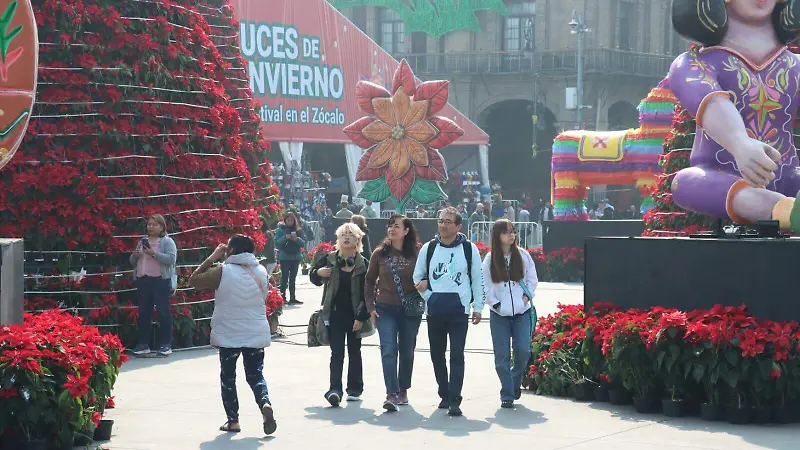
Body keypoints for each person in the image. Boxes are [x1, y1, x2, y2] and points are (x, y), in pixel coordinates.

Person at [668, 0, 800, 232]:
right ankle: (783, 211)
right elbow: (712, 102)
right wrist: (740, 145)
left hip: (789, 176)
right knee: (685, 183)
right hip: (722, 179)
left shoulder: (795, 66)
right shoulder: (694, 63)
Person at [188, 235, 277, 436]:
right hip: (255, 331)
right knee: (256, 375)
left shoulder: (222, 271)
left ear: (230, 250)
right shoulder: (262, 271)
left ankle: (233, 421)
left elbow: (194, 280)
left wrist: (213, 256)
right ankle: (264, 403)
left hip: (229, 334)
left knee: (228, 377)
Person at [413, 207, 485, 417]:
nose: (442, 225)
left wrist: (477, 307)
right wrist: (429, 297)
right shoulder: (429, 248)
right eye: (440, 220)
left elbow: (478, 280)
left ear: (458, 226)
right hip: (435, 310)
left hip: (459, 312)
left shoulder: (469, 249)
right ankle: (444, 392)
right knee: (437, 354)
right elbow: (417, 277)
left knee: (457, 355)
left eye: (448, 221)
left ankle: (455, 398)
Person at [309, 223, 373, 407]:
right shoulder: (329, 259)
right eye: (343, 234)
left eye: (351, 235)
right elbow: (314, 279)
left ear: (357, 240)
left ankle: (354, 389)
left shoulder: (363, 263)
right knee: (336, 353)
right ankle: (334, 390)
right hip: (335, 315)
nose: (346, 237)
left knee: (355, 352)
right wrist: (318, 273)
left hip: (355, 316)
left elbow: (368, 293)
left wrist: (361, 318)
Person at [365, 215, 421, 412]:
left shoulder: (417, 253)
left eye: (397, 226)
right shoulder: (380, 254)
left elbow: (428, 276)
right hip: (385, 308)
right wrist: (371, 307)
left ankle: (403, 389)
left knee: (407, 351)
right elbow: (369, 281)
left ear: (406, 231)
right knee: (388, 349)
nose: (392, 229)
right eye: (390, 226)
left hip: (411, 310)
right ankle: (391, 393)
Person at [483, 219, 537, 408]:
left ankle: (514, 383)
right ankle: (507, 393)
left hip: (522, 313)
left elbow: (532, 280)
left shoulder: (523, 255)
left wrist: (525, 299)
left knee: (523, 351)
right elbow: (485, 287)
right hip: (499, 315)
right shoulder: (490, 259)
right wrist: (496, 305)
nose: (511, 235)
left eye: (513, 231)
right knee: (501, 356)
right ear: (497, 236)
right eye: (506, 232)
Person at [129, 214, 177, 356]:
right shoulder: (142, 241)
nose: (150, 227)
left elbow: (171, 260)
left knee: (163, 313)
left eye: (154, 225)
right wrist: (136, 255)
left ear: (162, 227)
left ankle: (166, 345)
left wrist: (153, 253)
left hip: (160, 281)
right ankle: (143, 344)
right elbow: (132, 261)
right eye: (149, 224)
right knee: (144, 313)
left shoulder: (167, 242)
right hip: (143, 280)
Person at [275, 212, 306, 305]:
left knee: (293, 278)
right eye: (288, 220)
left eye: (291, 220)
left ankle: (292, 297)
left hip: (295, 257)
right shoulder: (280, 230)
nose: (290, 222)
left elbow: (303, 243)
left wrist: (296, 239)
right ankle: (283, 297)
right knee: (284, 278)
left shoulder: (298, 230)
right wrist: (285, 237)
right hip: (285, 257)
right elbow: (277, 243)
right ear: (285, 221)